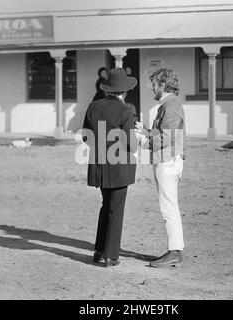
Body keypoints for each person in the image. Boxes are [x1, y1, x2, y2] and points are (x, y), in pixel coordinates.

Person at [82, 68, 138, 267]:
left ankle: (99, 250)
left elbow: (85, 136)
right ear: (124, 91)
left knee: (106, 207)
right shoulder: (126, 110)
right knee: (116, 209)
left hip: (99, 165)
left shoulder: (93, 107)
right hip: (119, 167)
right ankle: (111, 255)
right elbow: (132, 145)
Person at [135, 68, 186, 268]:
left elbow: (167, 137)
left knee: (168, 208)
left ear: (163, 85)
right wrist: (146, 131)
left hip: (167, 161)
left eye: (155, 84)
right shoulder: (168, 104)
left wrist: (143, 141)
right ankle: (175, 250)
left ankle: (175, 252)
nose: (153, 89)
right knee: (169, 206)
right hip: (167, 159)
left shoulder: (171, 105)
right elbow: (163, 132)